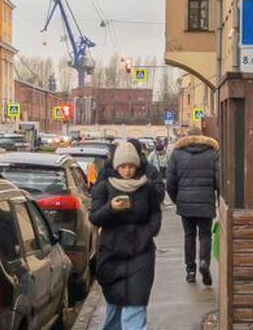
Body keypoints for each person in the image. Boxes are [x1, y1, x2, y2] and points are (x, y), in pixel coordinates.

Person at [90, 141, 162, 330]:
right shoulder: (103, 186)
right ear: (116, 166)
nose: (128, 171)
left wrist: (148, 232)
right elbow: (95, 217)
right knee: (115, 306)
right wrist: (111, 208)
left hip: (142, 253)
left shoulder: (146, 187)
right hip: (112, 254)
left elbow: (155, 213)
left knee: (135, 306)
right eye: (123, 166)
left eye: (131, 166)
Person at [166, 126, 219, 286]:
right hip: (206, 201)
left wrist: (177, 200)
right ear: (202, 136)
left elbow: (170, 182)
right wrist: (217, 197)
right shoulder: (213, 152)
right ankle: (204, 262)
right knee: (205, 235)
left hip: (185, 203)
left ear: (186, 137)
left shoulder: (177, 153)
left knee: (189, 236)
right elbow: (219, 179)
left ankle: (190, 270)